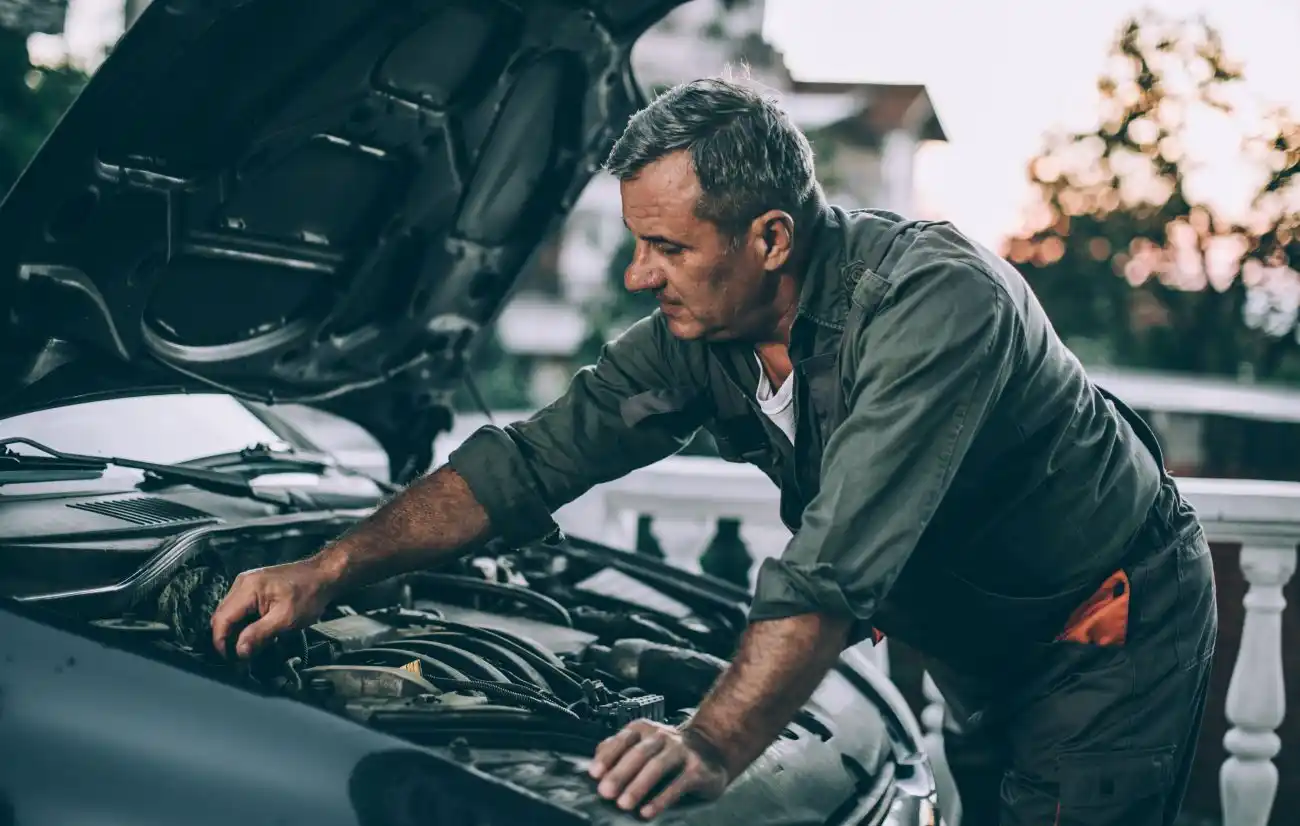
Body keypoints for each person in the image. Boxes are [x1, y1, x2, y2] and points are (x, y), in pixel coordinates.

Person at [210, 78, 1217, 825]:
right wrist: (329, 564)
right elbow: (527, 460)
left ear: (771, 238)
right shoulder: (703, 339)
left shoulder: (933, 304)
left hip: (1104, 616)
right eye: (636, 244)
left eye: (669, 248)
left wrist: (708, 741)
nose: (640, 275)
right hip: (979, 634)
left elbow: (833, 565)